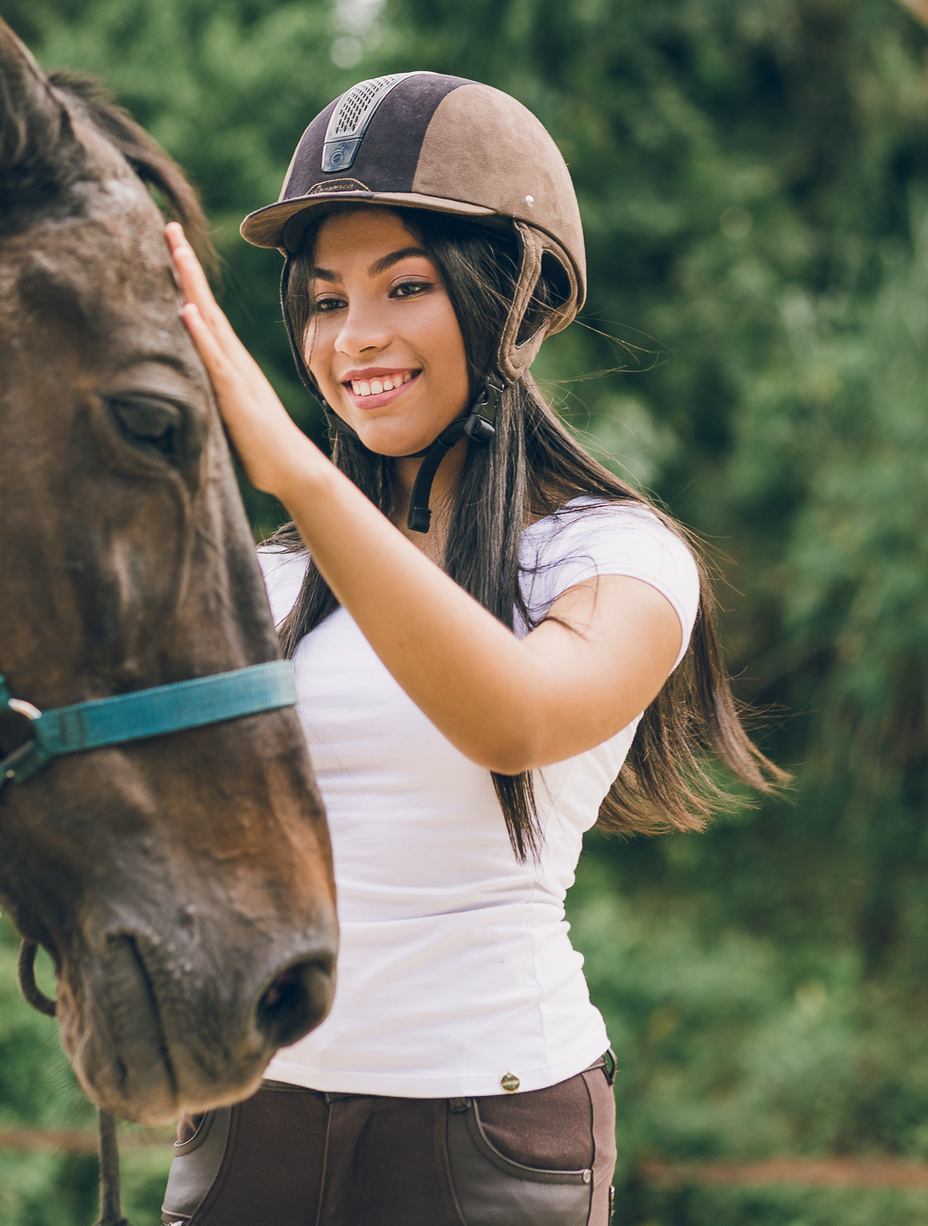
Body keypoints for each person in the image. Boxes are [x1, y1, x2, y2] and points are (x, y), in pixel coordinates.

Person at [160, 72, 782, 1226]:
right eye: (327, 299)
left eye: (405, 287)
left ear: (514, 303)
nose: (358, 340)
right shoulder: (267, 578)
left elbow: (516, 717)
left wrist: (293, 469)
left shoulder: (615, 559)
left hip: (484, 1137)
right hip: (252, 1116)